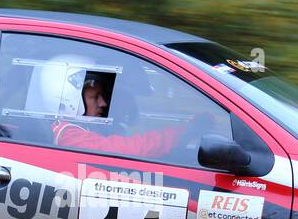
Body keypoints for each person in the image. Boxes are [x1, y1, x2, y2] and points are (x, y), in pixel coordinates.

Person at [29, 53, 194, 159]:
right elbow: (128, 151)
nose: (103, 103)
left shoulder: (78, 130)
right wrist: (184, 132)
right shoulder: (70, 135)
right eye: (94, 97)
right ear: (66, 99)